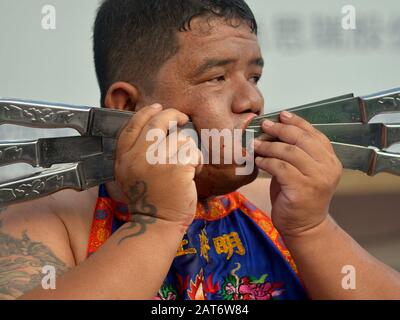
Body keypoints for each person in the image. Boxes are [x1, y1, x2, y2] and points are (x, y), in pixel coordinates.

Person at [1, 0, 399, 300]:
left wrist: (312, 229)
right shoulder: (47, 219)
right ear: (125, 106)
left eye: (254, 76)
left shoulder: (275, 207)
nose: (252, 100)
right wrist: (157, 222)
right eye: (218, 77)